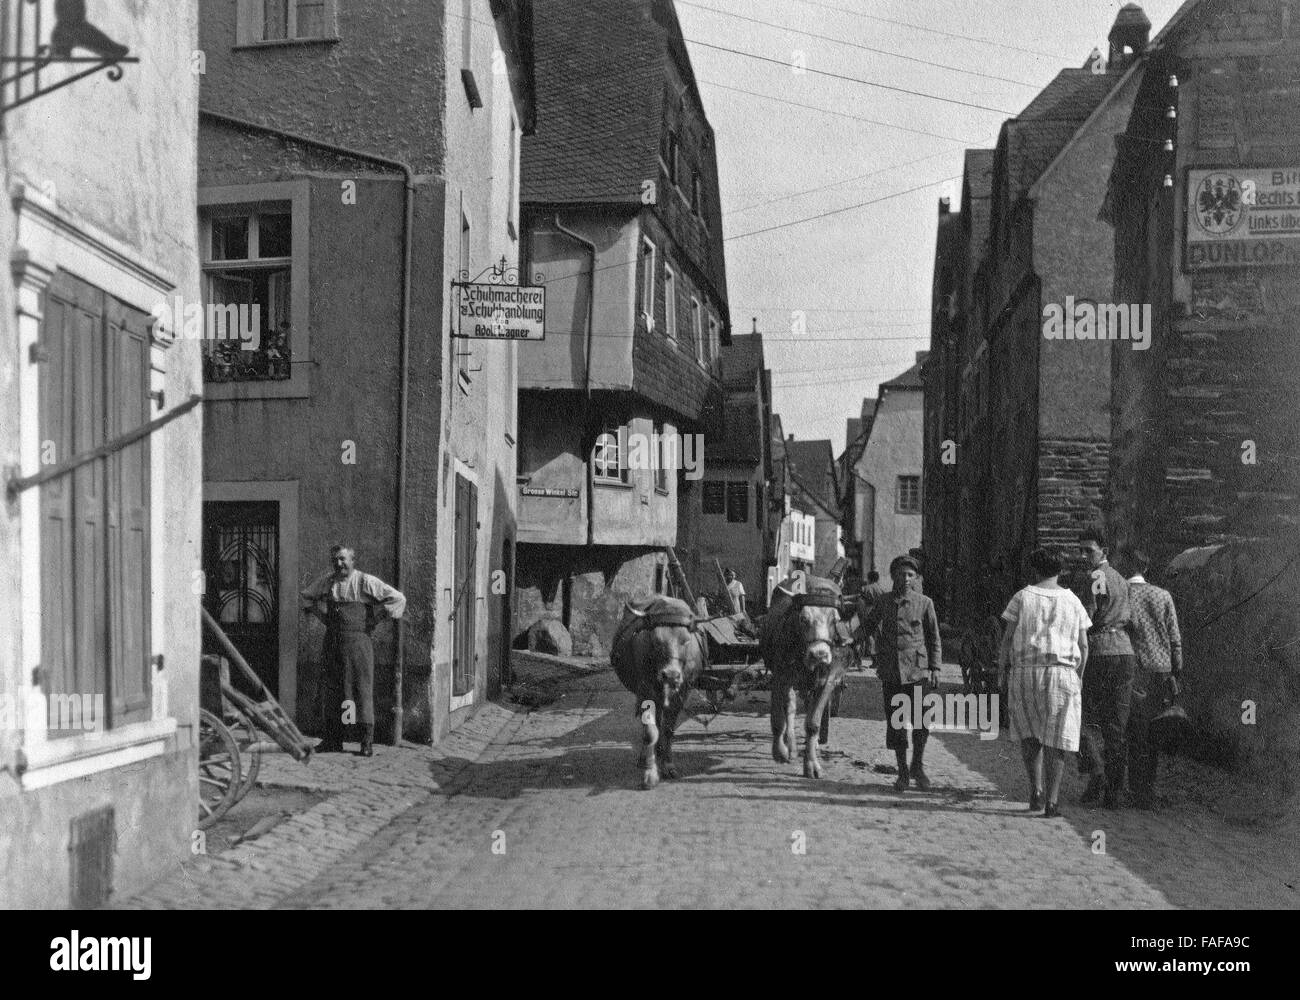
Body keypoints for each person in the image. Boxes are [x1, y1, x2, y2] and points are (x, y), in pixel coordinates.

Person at [998, 547, 1091, 819]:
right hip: (1063, 673)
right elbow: (1084, 645)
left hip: (1027, 672)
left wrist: (1002, 672)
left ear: (1035, 570)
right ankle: (1052, 801)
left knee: (1030, 733)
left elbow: (1006, 639)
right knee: (1057, 738)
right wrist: (1079, 676)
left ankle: (1035, 790)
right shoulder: (1073, 600)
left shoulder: (1022, 597)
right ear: (1060, 571)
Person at [301, 545, 406, 756]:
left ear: (352, 560)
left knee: (361, 691)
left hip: (359, 645)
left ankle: (366, 743)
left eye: (342, 559)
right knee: (334, 692)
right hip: (332, 644)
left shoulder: (365, 581)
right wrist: (323, 618)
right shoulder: (328, 582)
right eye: (335, 560)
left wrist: (376, 619)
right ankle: (333, 740)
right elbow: (306, 597)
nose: (338, 564)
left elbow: (398, 598)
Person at [856, 555, 942, 791]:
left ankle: (918, 765)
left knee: (922, 722)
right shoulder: (884, 602)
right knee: (897, 724)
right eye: (901, 574)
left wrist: (935, 667)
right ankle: (902, 772)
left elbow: (934, 638)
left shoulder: (925, 603)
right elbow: (868, 627)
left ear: (915, 578)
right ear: (893, 576)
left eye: (910, 575)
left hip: (918, 672)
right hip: (892, 671)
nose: (905, 579)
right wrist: (849, 638)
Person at [1077, 528, 1136, 808]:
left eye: (1089, 550)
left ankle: (1097, 772)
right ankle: (1113, 793)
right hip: (1125, 652)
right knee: (1116, 725)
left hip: (1100, 652)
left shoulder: (1096, 577)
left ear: (1104, 552)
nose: (1083, 555)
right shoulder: (1122, 580)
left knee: (1083, 717)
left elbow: (1087, 619)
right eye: (1082, 550)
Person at [1122, 547, 1184, 809]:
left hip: (1133, 669)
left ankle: (1136, 789)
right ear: (1146, 569)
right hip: (1160, 670)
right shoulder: (1163, 596)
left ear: (1125, 567)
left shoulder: (1121, 593)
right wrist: (1175, 672)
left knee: (1134, 732)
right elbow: (1174, 638)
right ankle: (1147, 789)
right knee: (1154, 732)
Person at [855, 570, 888, 660]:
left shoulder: (864, 588)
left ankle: (871, 656)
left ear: (869, 578)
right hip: (879, 612)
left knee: (868, 634)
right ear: (877, 579)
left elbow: (860, 601)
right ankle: (877, 659)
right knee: (878, 635)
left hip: (868, 612)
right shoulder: (881, 589)